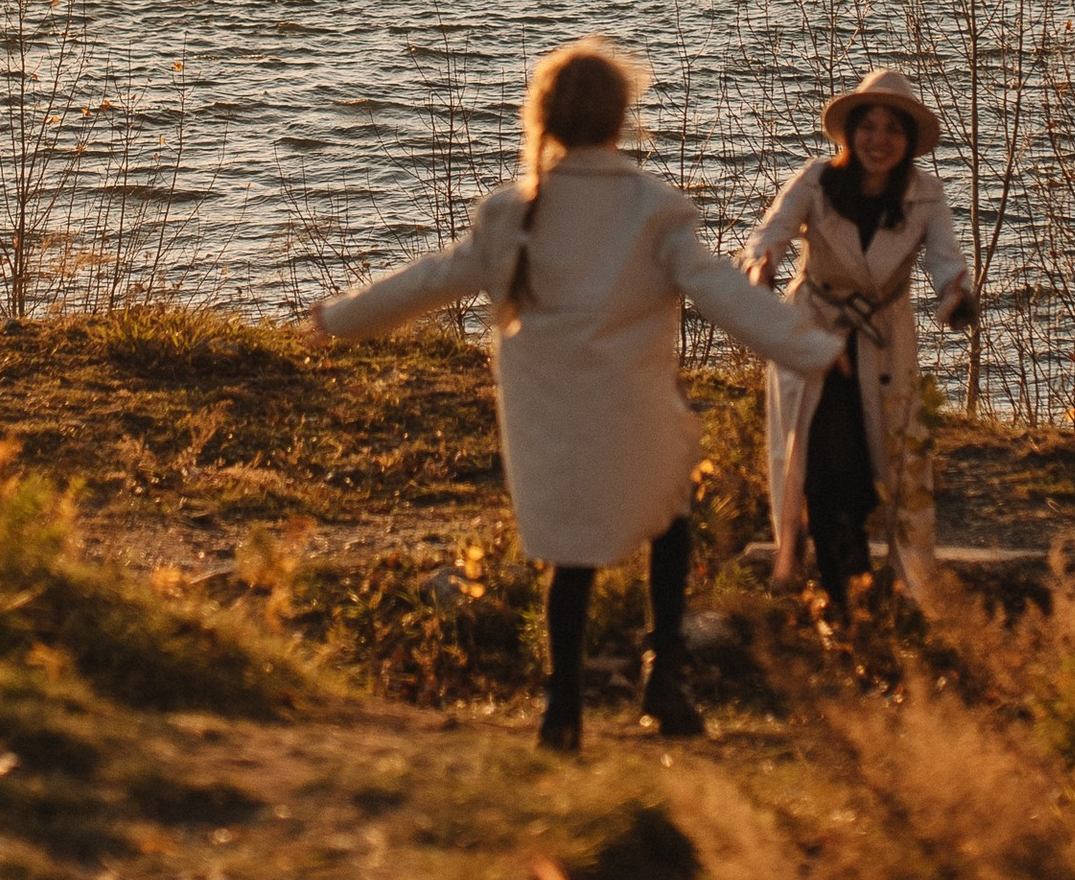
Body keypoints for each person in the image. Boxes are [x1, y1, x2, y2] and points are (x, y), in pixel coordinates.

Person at [306, 37, 840, 752]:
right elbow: (722, 295)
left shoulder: (510, 212)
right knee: (670, 522)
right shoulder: (654, 208)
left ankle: (562, 706)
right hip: (635, 409)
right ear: (623, 120)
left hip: (549, 416)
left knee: (571, 559)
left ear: (545, 118)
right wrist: (817, 352)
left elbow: (430, 280)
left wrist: (338, 319)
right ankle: (664, 681)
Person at [744, 66, 976, 622]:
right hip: (815, 333)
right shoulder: (817, 181)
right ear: (849, 133)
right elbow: (769, 234)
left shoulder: (925, 194)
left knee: (887, 467)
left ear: (908, 141)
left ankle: (890, 594)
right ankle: (844, 602)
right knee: (822, 467)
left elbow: (947, 262)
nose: (879, 141)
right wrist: (762, 267)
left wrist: (957, 297)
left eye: (892, 130)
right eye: (868, 127)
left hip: (881, 342)